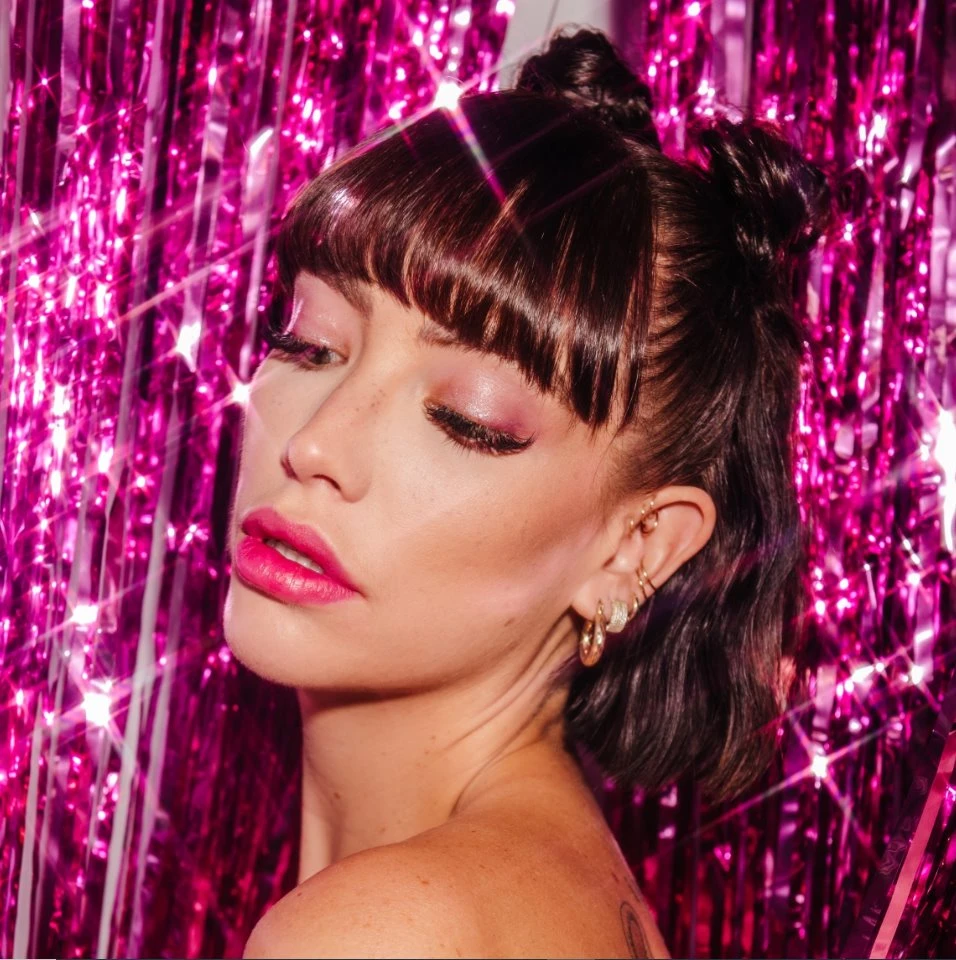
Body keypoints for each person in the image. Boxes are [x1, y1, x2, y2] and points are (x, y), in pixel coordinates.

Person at [223, 24, 830, 959]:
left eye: (467, 419)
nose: (313, 445)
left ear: (635, 547)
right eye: (310, 343)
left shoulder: (384, 931)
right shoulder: (548, 892)